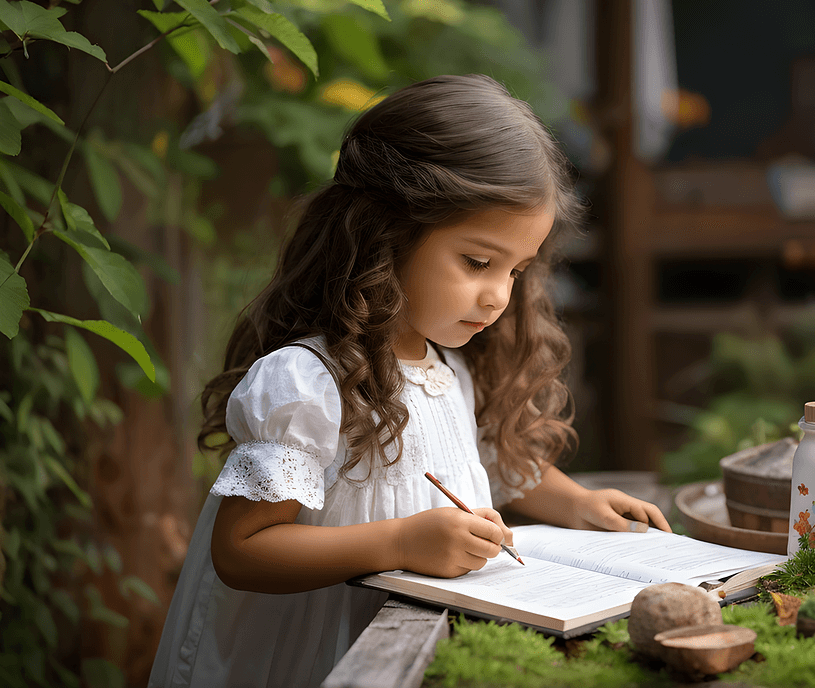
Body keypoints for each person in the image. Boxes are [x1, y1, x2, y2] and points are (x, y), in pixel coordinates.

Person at [149, 74, 671, 688]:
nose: (500, 295)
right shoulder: (307, 383)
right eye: (477, 262)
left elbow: (488, 463)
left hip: (409, 648)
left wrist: (576, 503)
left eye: (517, 270)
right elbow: (243, 549)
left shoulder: (450, 368)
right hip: (305, 657)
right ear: (386, 233)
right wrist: (400, 541)